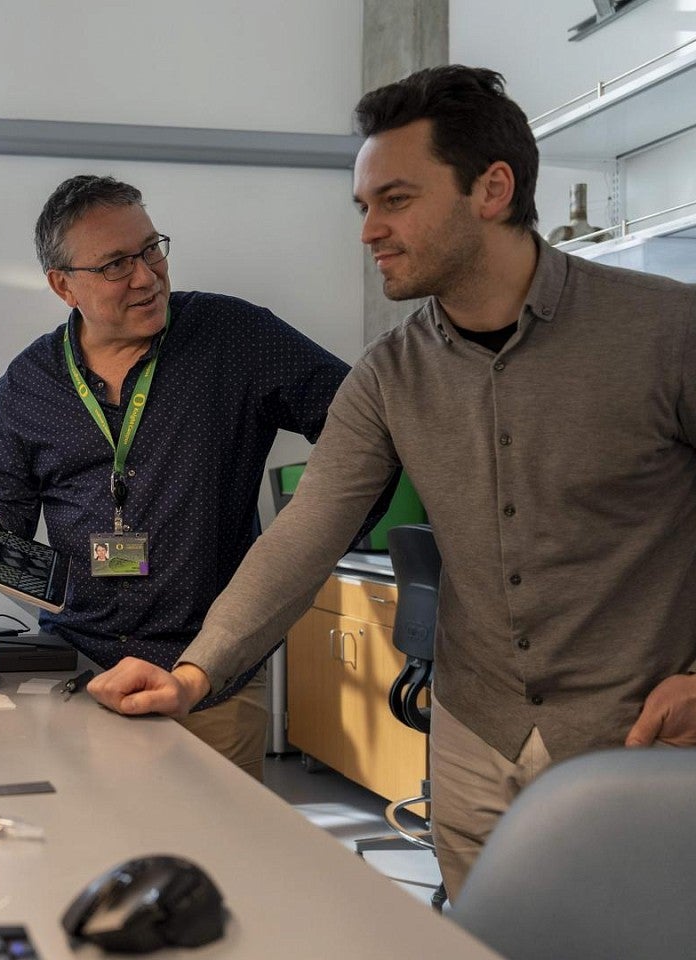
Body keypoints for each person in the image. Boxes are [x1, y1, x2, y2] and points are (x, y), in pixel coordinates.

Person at [87, 65, 696, 899]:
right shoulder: (388, 375)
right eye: (363, 206)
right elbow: (303, 536)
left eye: (396, 200)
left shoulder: (665, 331)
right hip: (473, 738)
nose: (369, 229)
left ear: (492, 187)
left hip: (642, 738)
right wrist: (192, 674)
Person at [0, 174, 366, 782]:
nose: (146, 276)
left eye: (150, 249)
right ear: (64, 286)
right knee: (96, 852)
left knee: (220, 860)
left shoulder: (234, 337)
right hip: (79, 674)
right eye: (115, 265)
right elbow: (8, 504)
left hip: (209, 676)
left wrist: (309, 525)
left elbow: (363, 425)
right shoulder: (27, 383)